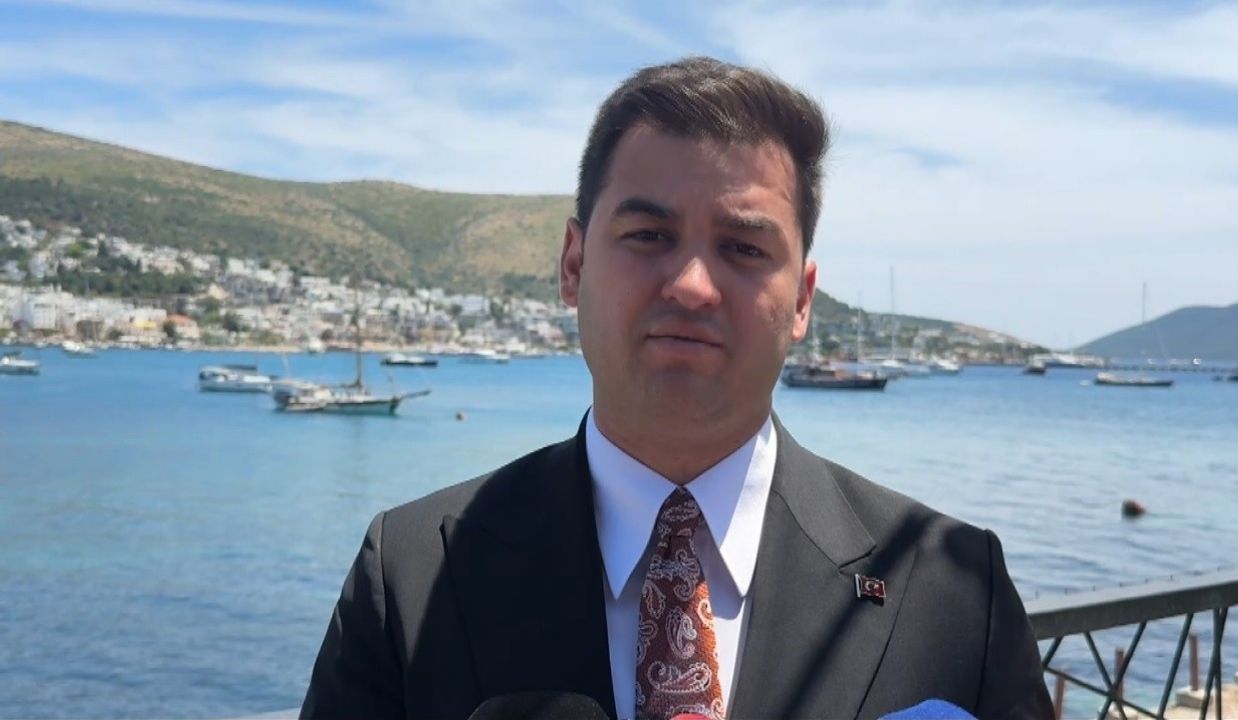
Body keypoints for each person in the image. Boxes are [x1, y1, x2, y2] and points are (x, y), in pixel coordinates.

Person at [300, 57, 1053, 720]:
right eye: (649, 236)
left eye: (743, 247)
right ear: (573, 265)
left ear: (801, 300)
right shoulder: (410, 574)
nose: (692, 285)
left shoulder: (955, 589)